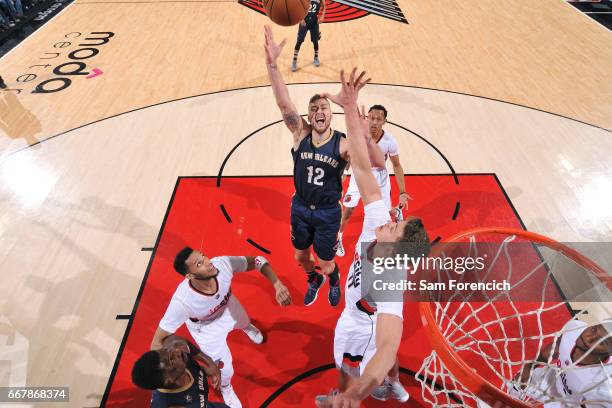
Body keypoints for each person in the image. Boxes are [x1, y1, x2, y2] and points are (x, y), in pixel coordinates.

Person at [316, 68, 430, 407]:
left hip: (361, 326)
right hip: (353, 313)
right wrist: (349, 109)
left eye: (393, 228)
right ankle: (381, 384)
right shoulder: (379, 223)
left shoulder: (390, 284)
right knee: (350, 369)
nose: (388, 221)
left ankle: (362, 391)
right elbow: (363, 168)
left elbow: (387, 346)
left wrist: (356, 393)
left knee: (359, 369)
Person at [264, 25, 385, 307]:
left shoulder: (343, 144)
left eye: (324, 108)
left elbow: (372, 164)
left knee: (327, 262)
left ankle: (331, 278)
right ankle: (313, 279)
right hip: (301, 207)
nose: (319, 111)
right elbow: (284, 105)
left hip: (329, 212)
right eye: (314, 109)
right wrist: (272, 64)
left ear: (332, 114)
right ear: (309, 115)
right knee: (300, 258)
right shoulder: (300, 134)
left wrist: (361, 127)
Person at [151, 248, 291, 408]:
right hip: (206, 330)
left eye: (203, 256)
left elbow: (258, 260)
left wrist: (277, 283)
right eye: (199, 264)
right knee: (226, 369)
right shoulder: (182, 302)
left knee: (245, 321)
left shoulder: (222, 264)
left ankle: (246, 328)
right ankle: (226, 387)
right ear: (189, 276)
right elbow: (157, 341)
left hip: (229, 307)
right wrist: (167, 372)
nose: (208, 262)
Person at [336, 104, 410, 257]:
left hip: (379, 178)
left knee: (384, 213)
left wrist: (402, 192)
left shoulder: (390, 141)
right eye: (372, 118)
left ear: (384, 121)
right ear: (367, 118)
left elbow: (396, 165)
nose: (374, 122)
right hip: (360, 174)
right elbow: (351, 154)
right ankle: (338, 237)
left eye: (379, 119)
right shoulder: (358, 135)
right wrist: (345, 171)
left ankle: (395, 212)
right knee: (348, 210)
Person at [501, 318, 612, 407]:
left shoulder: (603, 388)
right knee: (514, 385)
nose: (589, 337)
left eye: (601, 341)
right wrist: (530, 366)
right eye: (594, 329)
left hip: (569, 404)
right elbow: (555, 347)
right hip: (552, 378)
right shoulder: (575, 327)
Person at [132, 334, 230, 407]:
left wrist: (209, 363)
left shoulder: (178, 358)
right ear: (169, 380)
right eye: (171, 360)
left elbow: (176, 341)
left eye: (167, 351)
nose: (177, 351)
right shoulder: (171, 404)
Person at [291, 0, 325, 72]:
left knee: (315, 42)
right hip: (304, 22)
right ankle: (294, 61)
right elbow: (298, 7)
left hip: (314, 22)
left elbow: (324, 6)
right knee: (299, 41)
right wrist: (301, 18)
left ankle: (316, 58)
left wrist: (322, 16)